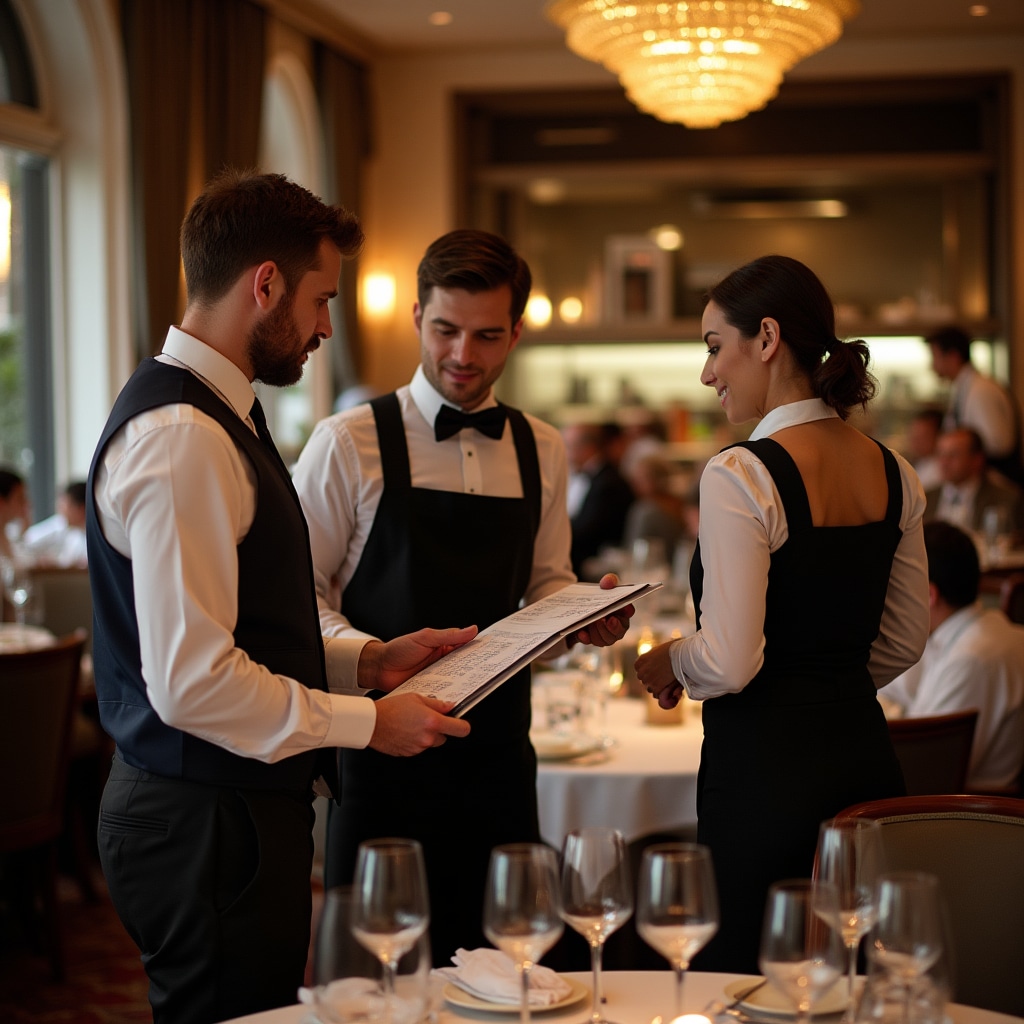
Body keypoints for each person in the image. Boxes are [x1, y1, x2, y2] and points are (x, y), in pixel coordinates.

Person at [85, 171, 477, 1024]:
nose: (326, 326)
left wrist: (367, 660)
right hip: (201, 819)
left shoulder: (217, 413)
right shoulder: (185, 436)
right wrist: (372, 723)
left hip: (220, 811)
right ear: (265, 284)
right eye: (320, 299)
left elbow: (243, 627)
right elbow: (193, 683)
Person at [291, 228, 631, 965]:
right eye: (445, 330)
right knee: (381, 976)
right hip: (379, 752)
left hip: (499, 757)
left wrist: (580, 613)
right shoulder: (347, 441)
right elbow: (295, 599)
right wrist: (371, 657)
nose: (462, 356)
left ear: (516, 332)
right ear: (416, 316)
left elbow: (544, 579)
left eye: (485, 336)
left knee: (510, 970)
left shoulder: (540, 444)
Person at [635, 254, 930, 973]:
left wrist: (670, 659)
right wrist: (826, 677)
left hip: (764, 782)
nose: (707, 373)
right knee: (852, 982)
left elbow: (733, 661)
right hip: (864, 765)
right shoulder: (896, 471)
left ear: (766, 338)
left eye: (713, 346)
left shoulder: (741, 472)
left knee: (750, 982)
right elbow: (904, 641)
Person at [879, 521, 1024, 792]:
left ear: (930, 595)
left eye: (895, 587)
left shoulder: (972, 658)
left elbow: (929, 768)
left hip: (970, 814)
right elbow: (894, 688)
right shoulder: (960, 631)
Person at [927, 324, 1024, 486]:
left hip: (997, 484)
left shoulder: (981, 390)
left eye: (935, 357)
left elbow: (998, 445)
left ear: (953, 357)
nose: (932, 366)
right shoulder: (967, 387)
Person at [562, 420, 635, 577]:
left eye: (568, 446)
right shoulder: (595, 477)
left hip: (599, 563)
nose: (565, 454)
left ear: (587, 448)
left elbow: (587, 532)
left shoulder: (608, 483)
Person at [924, 427, 1024, 538]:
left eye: (953, 455)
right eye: (940, 454)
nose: (944, 462)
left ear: (977, 459)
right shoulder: (925, 497)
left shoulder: (1008, 499)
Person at [22, 480, 89, 566]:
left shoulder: (64, 527)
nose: (61, 511)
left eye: (65, 505)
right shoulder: (72, 533)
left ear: (81, 508)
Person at [904, 407, 944, 491]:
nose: (915, 441)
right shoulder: (920, 463)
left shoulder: (941, 469)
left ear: (939, 436)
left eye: (922, 436)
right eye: (914, 434)